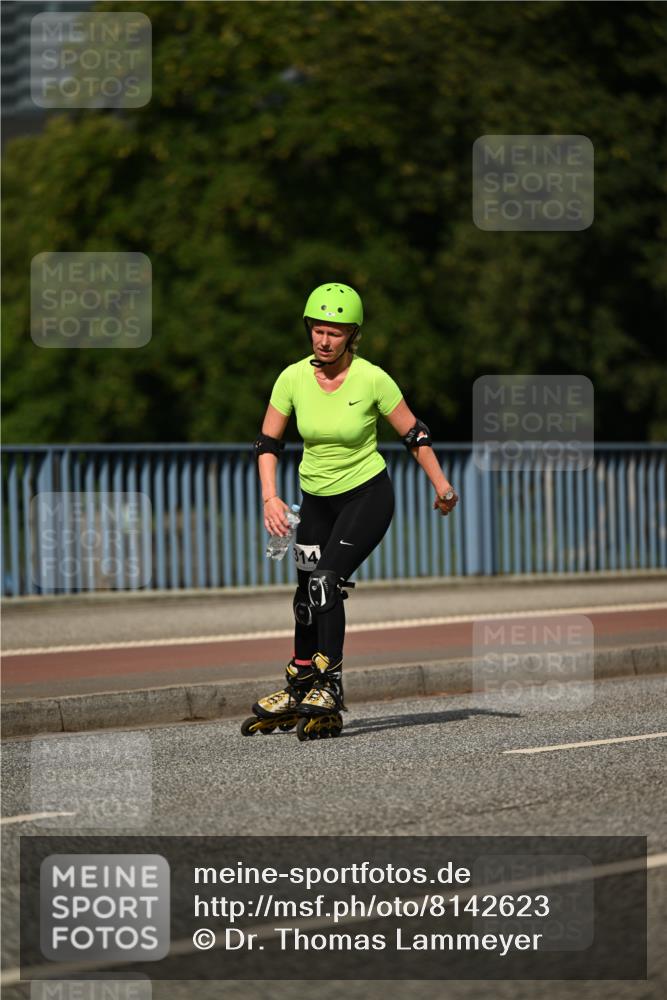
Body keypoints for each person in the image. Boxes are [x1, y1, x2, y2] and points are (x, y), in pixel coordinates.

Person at [241, 282, 458, 741]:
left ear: (351, 336)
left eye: (334, 333)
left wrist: (441, 484)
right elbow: (267, 443)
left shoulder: (372, 379)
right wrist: (270, 497)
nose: (324, 340)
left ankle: (330, 687)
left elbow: (414, 434)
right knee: (304, 598)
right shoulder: (292, 378)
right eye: (318, 330)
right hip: (315, 501)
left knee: (325, 582)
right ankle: (301, 683)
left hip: (366, 497)